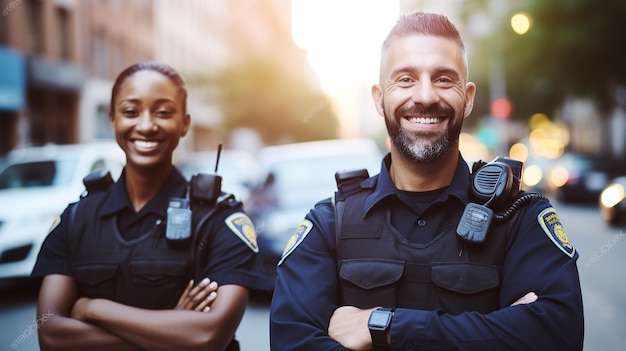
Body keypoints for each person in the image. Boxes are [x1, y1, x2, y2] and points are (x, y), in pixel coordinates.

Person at [269, 11, 584, 351]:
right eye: (405, 79)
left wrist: (387, 326)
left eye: (444, 79)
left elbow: (557, 336)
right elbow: (292, 342)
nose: (425, 96)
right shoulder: (329, 223)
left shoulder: (520, 217)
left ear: (468, 97)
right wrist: (496, 333)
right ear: (378, 98)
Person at [31, 62, 271, 351]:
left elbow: (207, 337)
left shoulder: (220, 219)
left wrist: (93, 308)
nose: (145, 126)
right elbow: (51, 334)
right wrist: (172, 329)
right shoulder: (76, 217)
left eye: (163, 113)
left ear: (184, 123)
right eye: (131, 112)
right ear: (112, 119)